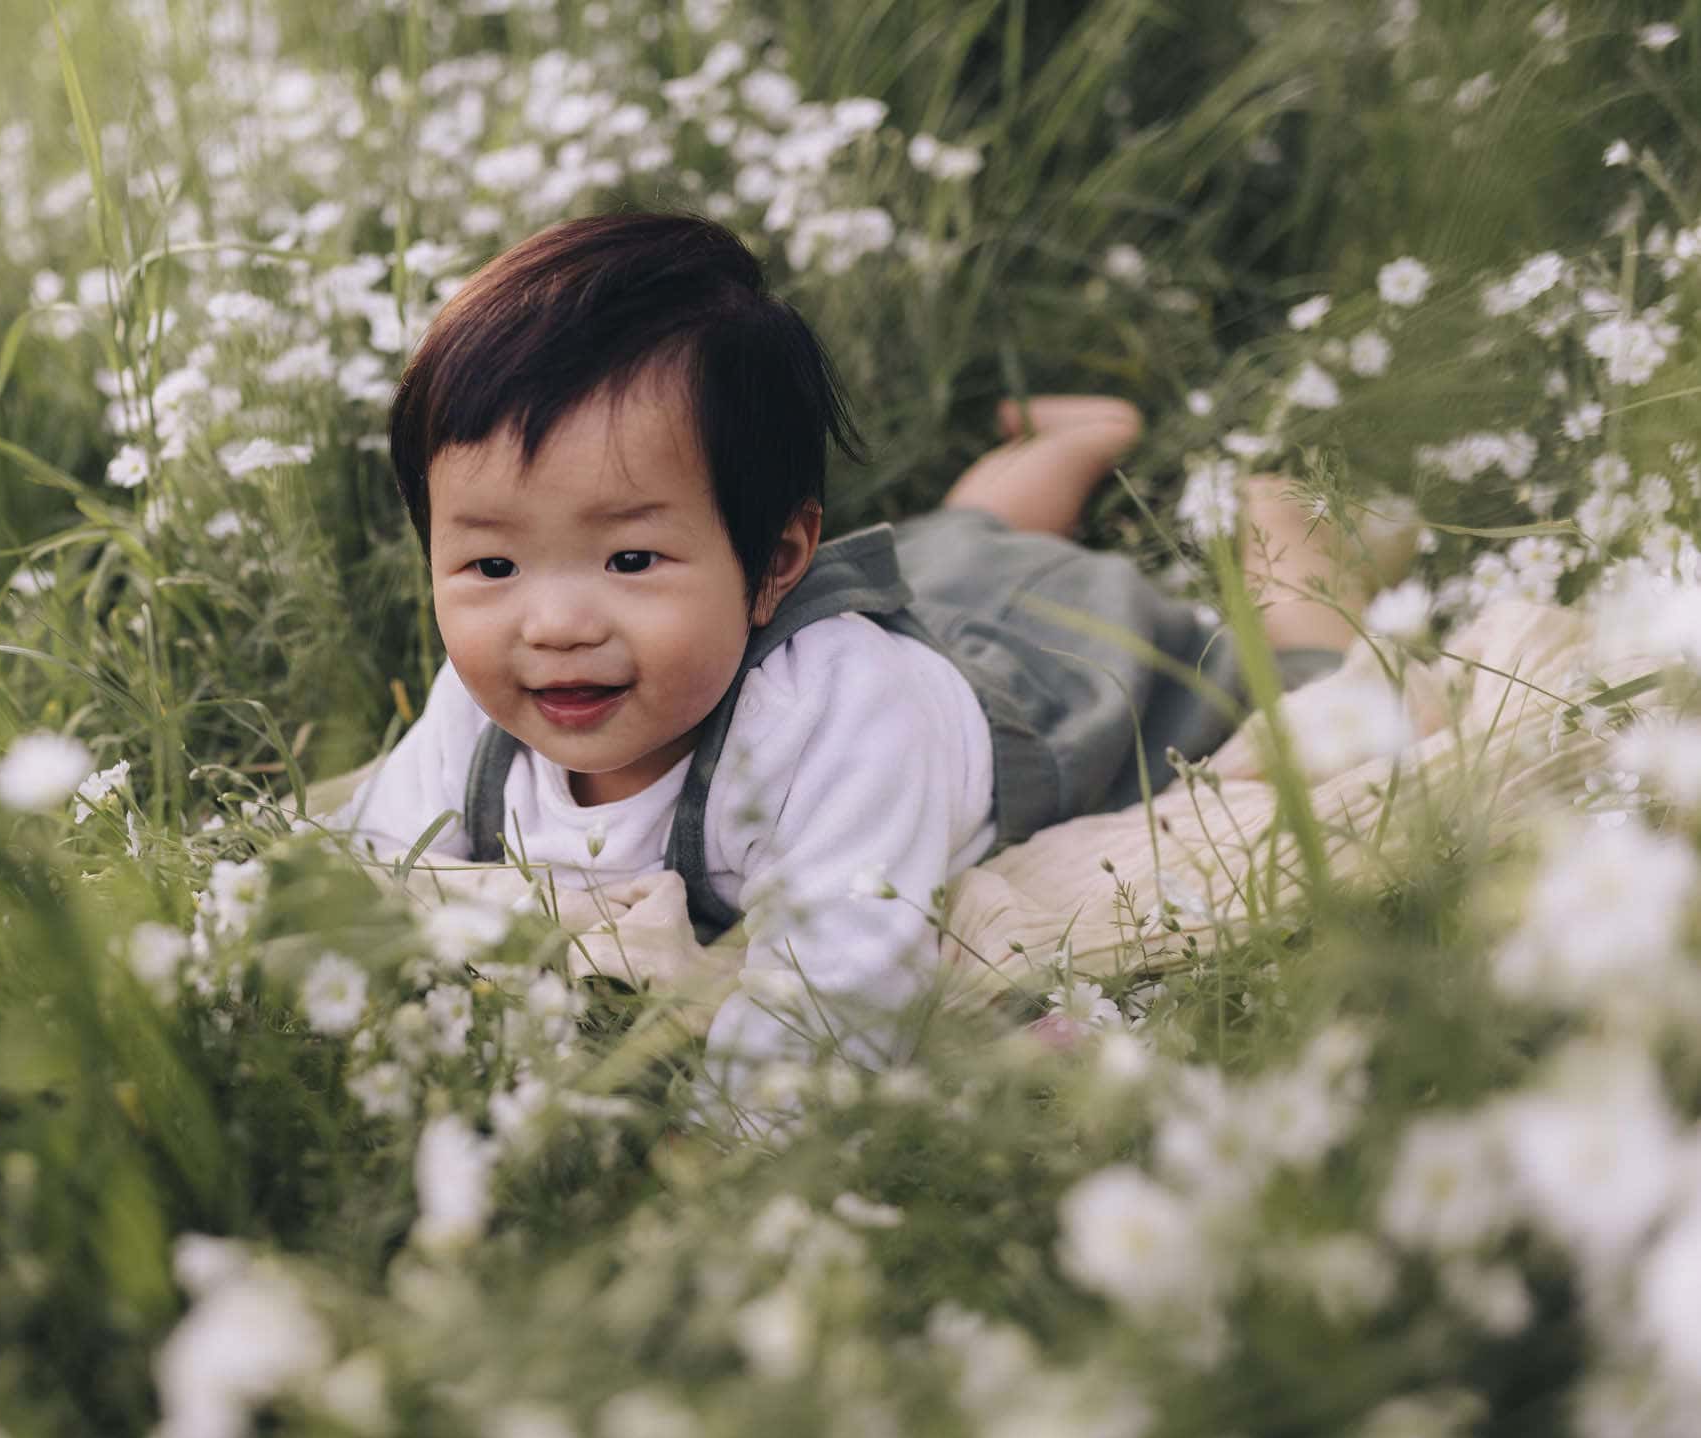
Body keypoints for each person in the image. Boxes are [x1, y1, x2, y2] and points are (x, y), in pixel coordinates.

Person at [327, 210, 1412, 1113]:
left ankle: (1292, 534)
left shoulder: (842, 720)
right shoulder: (479, 708)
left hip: (1040, 662)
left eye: (627, 555)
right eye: (490, 562)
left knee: (1293, 694)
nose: (551, 623)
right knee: (955, 543)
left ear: (777, 561)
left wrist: (725, 1143)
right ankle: (1064, 446)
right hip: (924, 594)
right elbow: (374, 862)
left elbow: (840, 974)